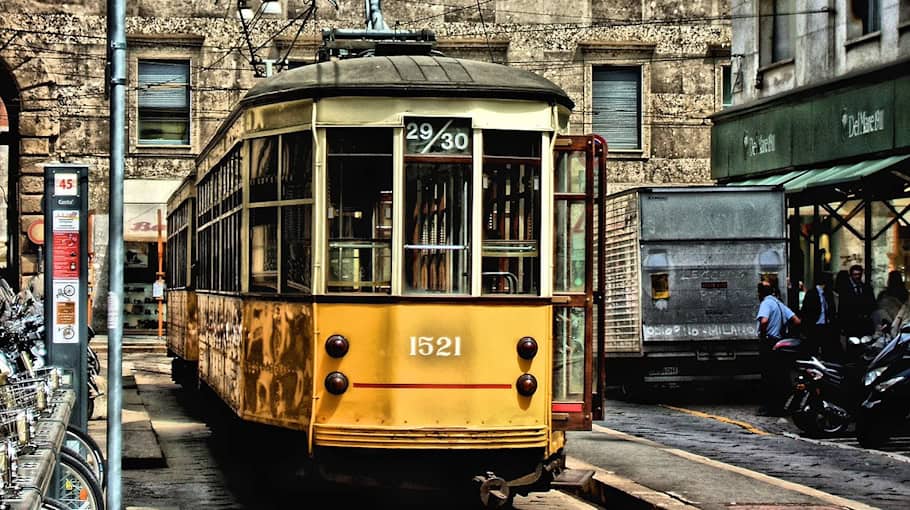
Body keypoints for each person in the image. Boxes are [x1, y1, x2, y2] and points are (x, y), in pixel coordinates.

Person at [756, 280, 801, 416]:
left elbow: (763, 320)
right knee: (780, 376)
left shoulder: (766, 303)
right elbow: (797, 320)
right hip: (780, 342)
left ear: (759, 294)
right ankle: (781, 406)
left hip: (769, 342)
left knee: (768, 376)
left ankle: (769, 408)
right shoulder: (779, 304)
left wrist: (764, 334)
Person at [799, 271, 838, 359]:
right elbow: (805, 312)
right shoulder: (811, 294)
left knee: (826, 350)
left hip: (826, 326)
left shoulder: (828, 294)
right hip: (815, 326)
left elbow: (831, 310)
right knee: (813, 349)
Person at [838, 264, 876, 342]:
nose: (857, 277)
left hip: (863, 323)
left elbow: (872, 303)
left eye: (859, 274)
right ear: (851, 275)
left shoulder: (866, 288)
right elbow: (842, 307)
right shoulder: (844, 289)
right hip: (850, 323)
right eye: (855, 275)